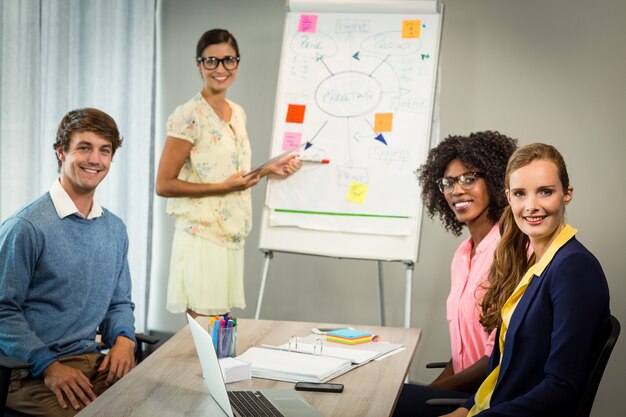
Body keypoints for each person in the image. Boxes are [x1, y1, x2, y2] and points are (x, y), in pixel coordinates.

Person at [443, 143, 610, 417]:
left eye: (545, 192)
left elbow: (562, 387)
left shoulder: (575, 268)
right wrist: (464, 409)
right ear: (509, 198)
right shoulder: (535, 265)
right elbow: (503, 370)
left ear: (566, 194)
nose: (532, 206)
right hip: (488, 406)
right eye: (520, 194)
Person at [0, 108, 137, 416]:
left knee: (162, 404)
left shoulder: (114, 229)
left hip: (93, 364)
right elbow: (3, 310)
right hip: (30, 373)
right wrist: (48, 365)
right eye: (84, 147)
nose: (95, 160)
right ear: (61, 152)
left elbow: (119, 302)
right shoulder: (26, 227)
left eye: (105, 151)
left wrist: (125, 340)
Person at [156, 29, 300, 318]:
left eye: (228, 60)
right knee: (205, 329)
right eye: (211, 61)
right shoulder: (189, 115)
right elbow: (164, 184)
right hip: (202, 234)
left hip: (231, 232)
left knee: (221, 327)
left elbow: (228, 174)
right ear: (199, 64)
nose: (220, 69)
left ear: (237, 63)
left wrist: (267, 170)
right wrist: (221, 188)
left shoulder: (237, 112)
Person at [394, 131, 518, 417]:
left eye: (469, 178)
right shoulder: (463, 254)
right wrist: (430, 389)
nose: (456, 190)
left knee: (383, 401)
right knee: (387, 396)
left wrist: (433, 392)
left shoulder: (509, 251)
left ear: (495, 181)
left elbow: (496, 357)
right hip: (462, 390)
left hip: (489, 397)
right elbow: (464, 351)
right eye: (448, 182)